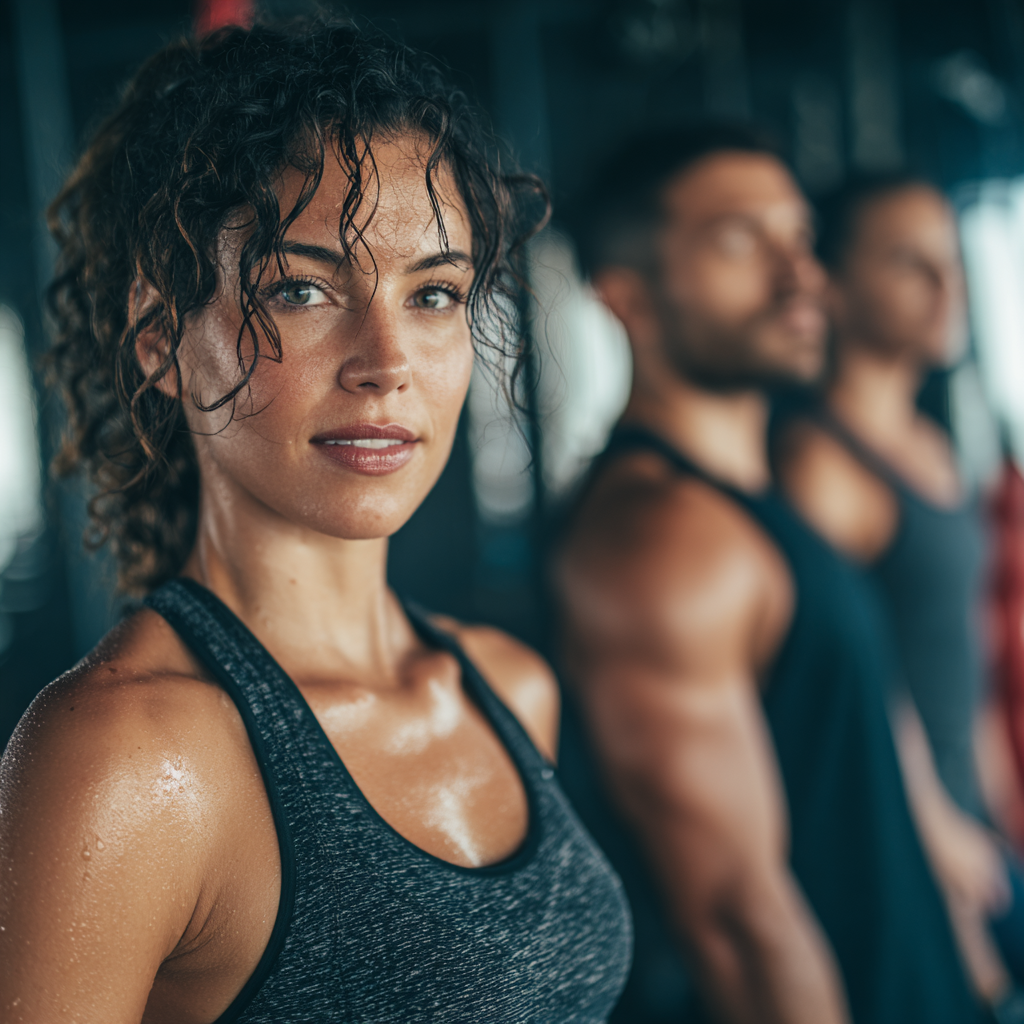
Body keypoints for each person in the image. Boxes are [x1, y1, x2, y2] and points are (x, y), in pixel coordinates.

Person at [0, 20, 632, 1023]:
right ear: (162, 339)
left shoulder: (509, 686)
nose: (386, 360)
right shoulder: (129, 754)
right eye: (301, 287)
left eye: (434, 293)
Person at [557, 125, 982, 1023]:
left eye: (799, 239)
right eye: (739, 241)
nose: (800, 278)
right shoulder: (663, 539)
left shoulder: (759, 497)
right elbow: (738, 922)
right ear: (626, 296)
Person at [776, 174, 1024, 1005]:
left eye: (949, 260)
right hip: (911, 839)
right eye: (908, 262)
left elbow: (967, 662)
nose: (946, 286)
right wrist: (942, 847)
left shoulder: (931, 442)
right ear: (834, 287)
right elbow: (867, 688)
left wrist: (999, 809)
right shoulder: (821, 464)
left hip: (977, 816)